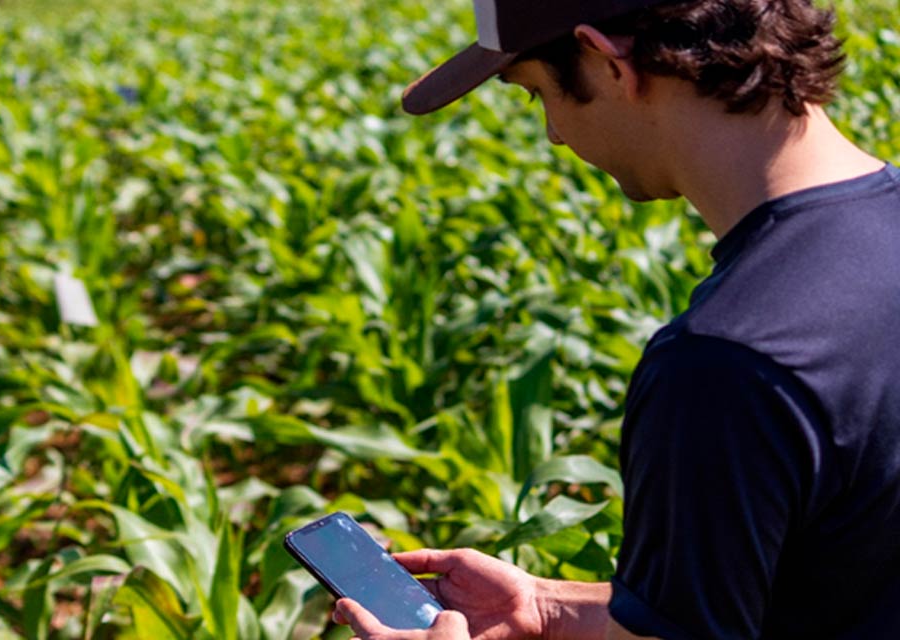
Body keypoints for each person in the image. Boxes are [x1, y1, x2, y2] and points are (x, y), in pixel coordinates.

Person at [333, 0, 900, 638]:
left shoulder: (727, 365)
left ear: (607, 63)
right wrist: (551, 610)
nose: (552, 132)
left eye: (537, 94)